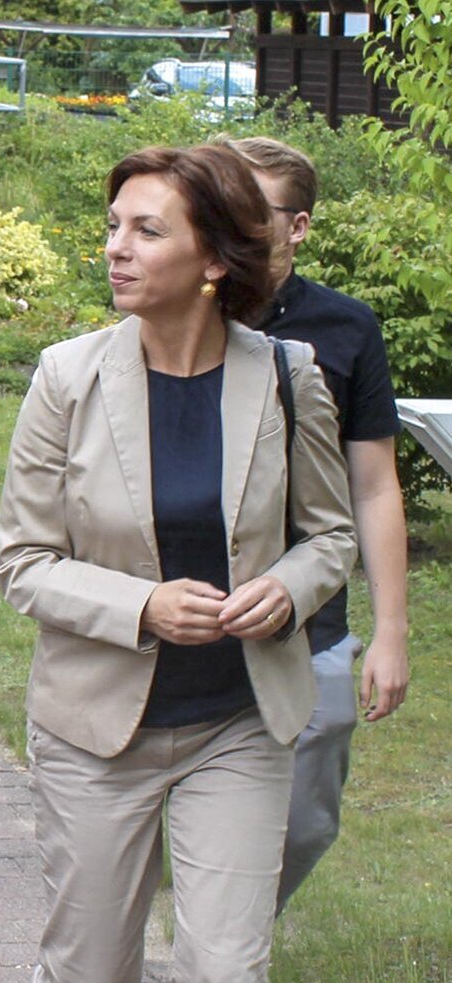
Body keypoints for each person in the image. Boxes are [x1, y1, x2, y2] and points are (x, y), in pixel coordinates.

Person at [0, 144, 356, 983]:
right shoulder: (66, 378)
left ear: (213, 260)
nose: (115, 247)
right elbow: (24, 563)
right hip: (96, 730)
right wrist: (144, 606)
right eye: (113, 226)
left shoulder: (288, 373)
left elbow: (332, 536)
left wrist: (289, 587)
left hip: (237, 722)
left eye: (145, 230)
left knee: (226, 982)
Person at [223, 136, 410, 912]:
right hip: (195, 601)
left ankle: (236, 930)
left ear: (298, 227)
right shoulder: (181, 310)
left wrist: (392, 630)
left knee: (304, 819)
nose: (234, 226)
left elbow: (374, 486)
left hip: (314, 618)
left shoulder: (346, 329)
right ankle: (223, 954)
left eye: (254, 213)